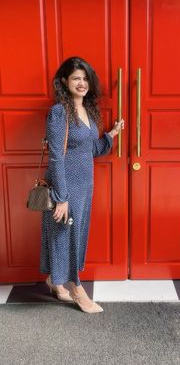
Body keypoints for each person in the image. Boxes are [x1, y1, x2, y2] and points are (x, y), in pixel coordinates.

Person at [40, 56, 124, 313]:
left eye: (85, 78)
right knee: (67, 236)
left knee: (74, 235)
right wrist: (61, 197)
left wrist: (110, 135)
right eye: (76, 77)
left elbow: (91, 149)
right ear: (64, 81)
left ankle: (55, 282)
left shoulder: (87, 110)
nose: (82, 83)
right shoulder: (59, 112)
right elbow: (56, 156)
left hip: (85, 186)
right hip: (66, 187)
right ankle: (77, 290)